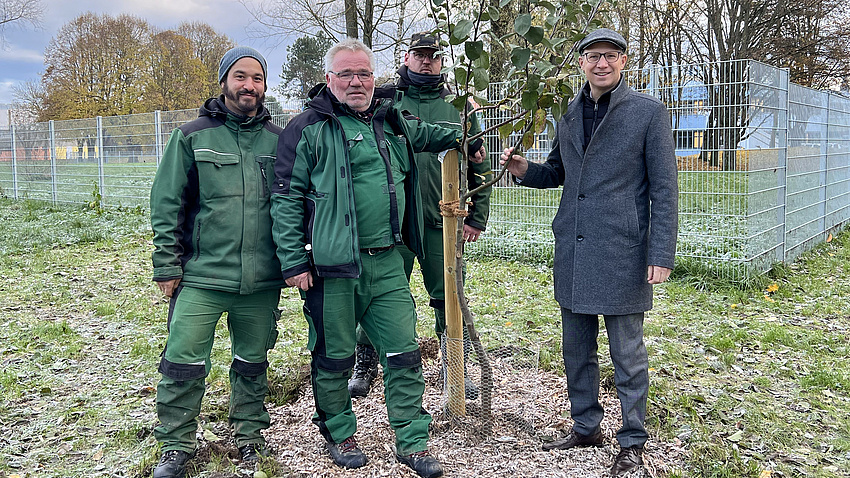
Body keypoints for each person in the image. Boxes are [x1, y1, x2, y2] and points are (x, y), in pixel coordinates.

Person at [270, 38, 483, 478]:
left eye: (363, 73)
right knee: (333, 355)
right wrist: (294, 262)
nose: (356, 82)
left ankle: (412, 441)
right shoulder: (307, 128)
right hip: (333, 265)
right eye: (346, 74)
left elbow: (430, 134)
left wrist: (468, 140)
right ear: (329, 79)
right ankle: (339, 431)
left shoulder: (390, 121)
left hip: (388, 260)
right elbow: (286, 198)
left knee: (404, 351)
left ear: (375, 79)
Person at [499, 28, 678, 476]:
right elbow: (560, 172)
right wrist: (525, 170)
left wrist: (661, 252)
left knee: (627, 354)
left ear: (623, 62)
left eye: (610, 56)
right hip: (574, 250)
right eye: (593, 56)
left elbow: (665, 190)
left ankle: (632, 441)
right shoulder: (567, 110)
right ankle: (586, 426)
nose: (601, 64)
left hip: (623, 250)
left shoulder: (647, 113)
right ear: (581, 62)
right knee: (576, 348)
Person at [149, 46, 284, 478]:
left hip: (261, 280)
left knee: (252, 362)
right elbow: (167, 203)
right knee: (182, 362)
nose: (249, 86)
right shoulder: (191, 136)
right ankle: (175, 444)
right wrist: (166, 265)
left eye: (257, 78)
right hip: (201, 277)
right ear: (224, 80)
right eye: (240, 76)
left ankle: (248, 437)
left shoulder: (280, 141)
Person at [347, 32, 492, 400]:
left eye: (434, 55)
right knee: (380, 292)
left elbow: (481, 160)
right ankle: (365, 362)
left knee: (448, 297)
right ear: (406, 57)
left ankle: (453, 367)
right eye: (420, 54)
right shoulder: (385, 100)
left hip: (441, 221)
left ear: (442, 61)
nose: (427, 61)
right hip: (393, 223)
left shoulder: (461, 105)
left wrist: (478, 216)